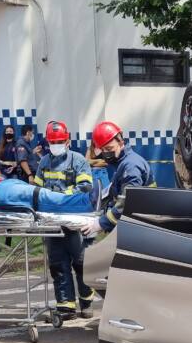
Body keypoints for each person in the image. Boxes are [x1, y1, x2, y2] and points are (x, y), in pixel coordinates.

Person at [33, 121, 96, 319]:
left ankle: (86, 301)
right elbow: (38, 190)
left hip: (76, 220)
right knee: (58, 263)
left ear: (68, 140)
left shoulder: (78, 160)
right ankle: (66, 305)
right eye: (53, 142)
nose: (56, 145)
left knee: (81, 262)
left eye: (60, 141)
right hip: (53, 222)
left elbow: (85, 187)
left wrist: (59, 197)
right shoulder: (44, 162)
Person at [81, 121, 154, 237]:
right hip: (134, 224)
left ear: (121, 142)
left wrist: (100, 224)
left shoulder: (130, 167)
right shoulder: (123, 163)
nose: (106, 153)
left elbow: (128, 203)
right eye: (103, 150)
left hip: (138, 227)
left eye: (109, 148)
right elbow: (114, 190)